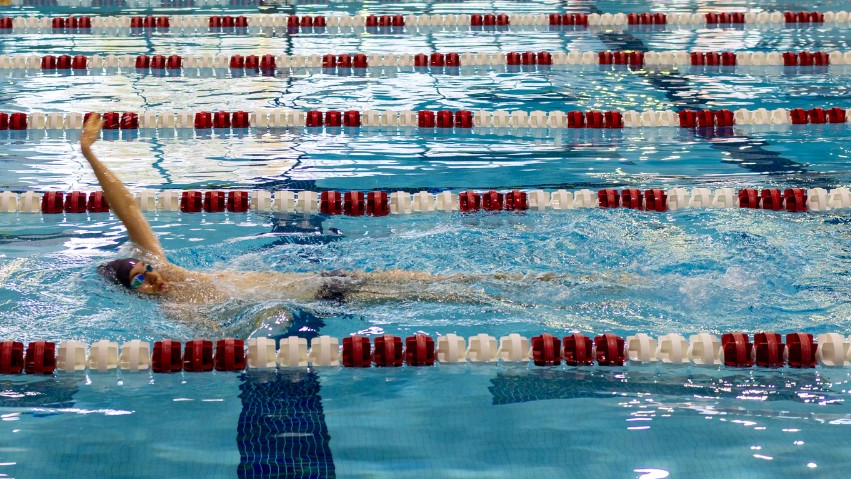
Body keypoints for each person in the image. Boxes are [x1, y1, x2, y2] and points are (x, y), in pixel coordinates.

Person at [80, 113, 570, 328]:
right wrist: (265, 318)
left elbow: (130, 210)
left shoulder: (173, 271)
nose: (153, 275)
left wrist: (89, 154)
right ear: (136, 294)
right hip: (323, 298)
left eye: (146, 269)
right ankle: (550, 293)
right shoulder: (177, 311)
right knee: (446, 293)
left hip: (324, 282)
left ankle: (546, 283)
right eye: (143, 280)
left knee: (446, 283)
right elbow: (226, 342)